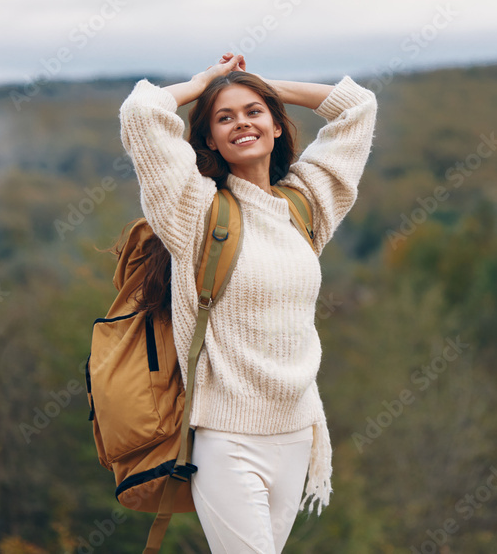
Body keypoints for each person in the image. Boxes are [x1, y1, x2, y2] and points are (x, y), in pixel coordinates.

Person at [118, 52, 378, 553]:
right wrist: (202, 83)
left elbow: (356, 109)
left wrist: (256, 84)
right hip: (226, 438)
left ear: (277, 124)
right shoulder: (195, 211)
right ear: (210, 139)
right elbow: (141, 113)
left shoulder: (305, 206)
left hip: (298, 433)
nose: (241, 123)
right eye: (224, 117)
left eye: (254, 112)